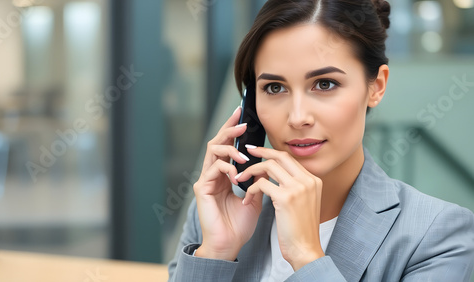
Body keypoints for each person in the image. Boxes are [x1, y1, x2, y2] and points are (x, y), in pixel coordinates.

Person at [168, 0, 474, 281]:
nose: (298, 117)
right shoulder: (214, 213)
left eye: (325, 84)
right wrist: (216, 253)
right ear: (251, 106)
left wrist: (306, 256)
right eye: (274, 88)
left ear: (376, 87)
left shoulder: (438, 236)